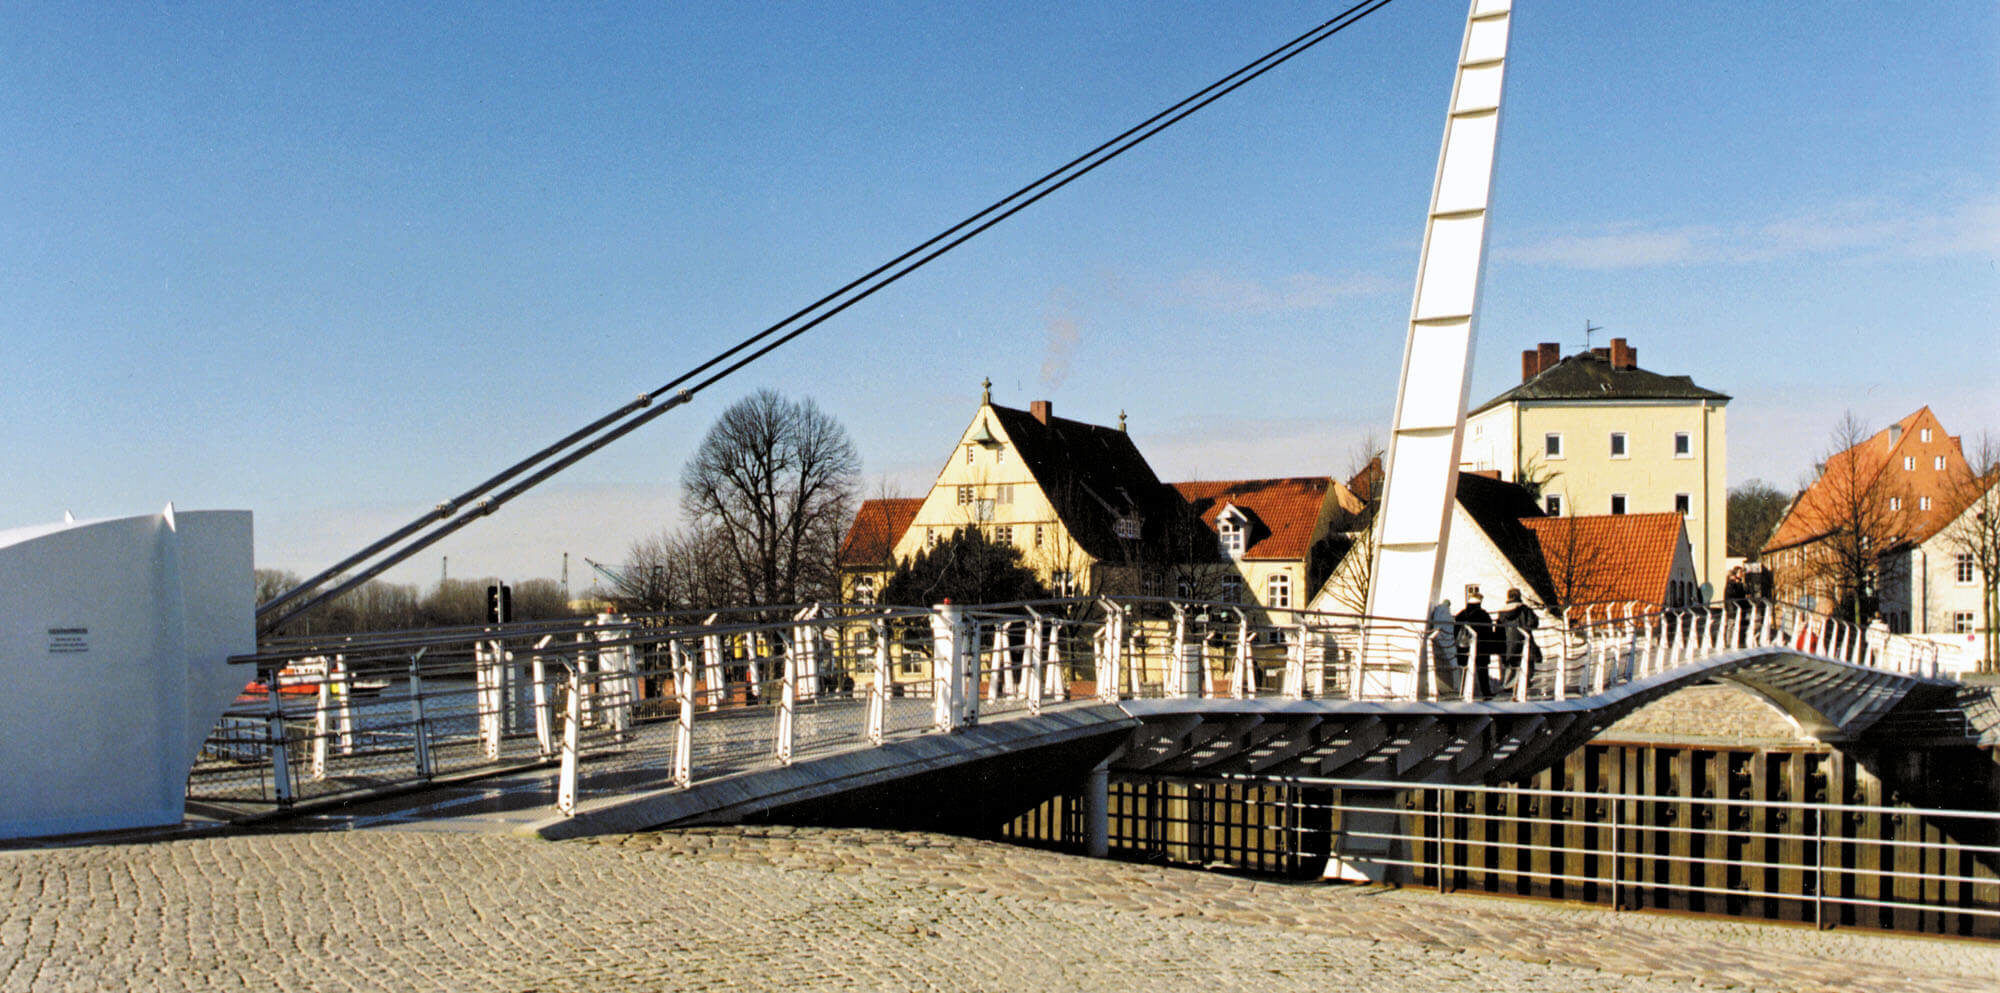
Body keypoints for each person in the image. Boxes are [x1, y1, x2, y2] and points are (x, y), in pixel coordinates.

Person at [1496, 588, 1540, 694]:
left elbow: (1498, 629)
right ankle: (1524, 683)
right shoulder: (1524, 609)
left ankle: (1508, 685)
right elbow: (1532, 623)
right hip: (1523, 640)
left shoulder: (1502, 612)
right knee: (1527, 662)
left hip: (1508, 643)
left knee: (1510, 664)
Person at [1454, 590, 1495, 699]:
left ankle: (1463, 692)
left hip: (1464, 647)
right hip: (1481, 647)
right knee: (1482, 670)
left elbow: (1455, 631)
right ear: (1480, 601)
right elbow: (1488, 632)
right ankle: (1486, 692)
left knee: (1465, 670)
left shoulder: (1461, 614)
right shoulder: (1483, 615)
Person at [1427, 599, 1459, 698]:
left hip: (1439, 639)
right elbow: (1448, 627)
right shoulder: (1446, 614)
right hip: (1448, 641)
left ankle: (1447, 687)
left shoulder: (1438, 612)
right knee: (1454, 664)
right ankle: (1456, 687)